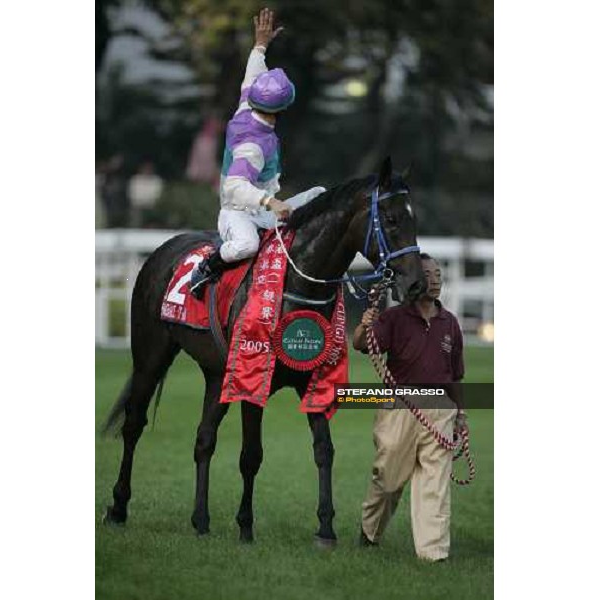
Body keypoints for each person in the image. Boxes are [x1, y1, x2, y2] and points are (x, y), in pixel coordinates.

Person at [190, 8, 326, 296]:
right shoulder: (252, 146)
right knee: (247, 246)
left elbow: (251, 75)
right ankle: (205, 267)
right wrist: (272, 202)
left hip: (263, 212)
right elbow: (234, 186)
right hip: (238, 215)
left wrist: (260, 45)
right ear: (284, 108)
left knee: (320, 195)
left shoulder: (247, 105)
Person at [352, 253, 468, 561]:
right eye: (429, 274)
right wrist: (366, 324)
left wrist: (460, 414)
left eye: (440, 274)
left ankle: (434, 554)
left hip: (440, 410)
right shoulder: (395, 317)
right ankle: (370, 530)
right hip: (399, 407)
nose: (437, 279)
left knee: (435, 484)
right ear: (415, 279)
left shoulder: (450, 323)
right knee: (388, 479)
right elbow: (362, 345)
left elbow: (456, 374)